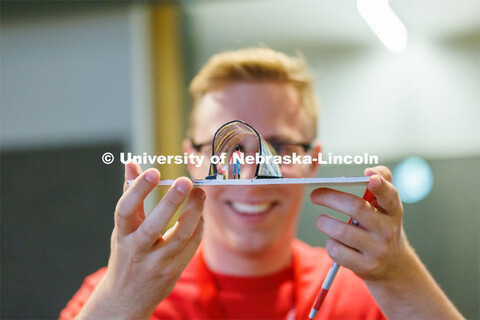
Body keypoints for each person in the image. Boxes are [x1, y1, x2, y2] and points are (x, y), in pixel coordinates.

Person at [60, 48, 463, 319]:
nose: (251, 175)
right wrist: (121, 301)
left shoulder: (364, 294)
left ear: (312, 161)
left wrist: (399, 275)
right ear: (193, 159)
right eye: (228, 149)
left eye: (280, 146)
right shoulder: (115, 292)